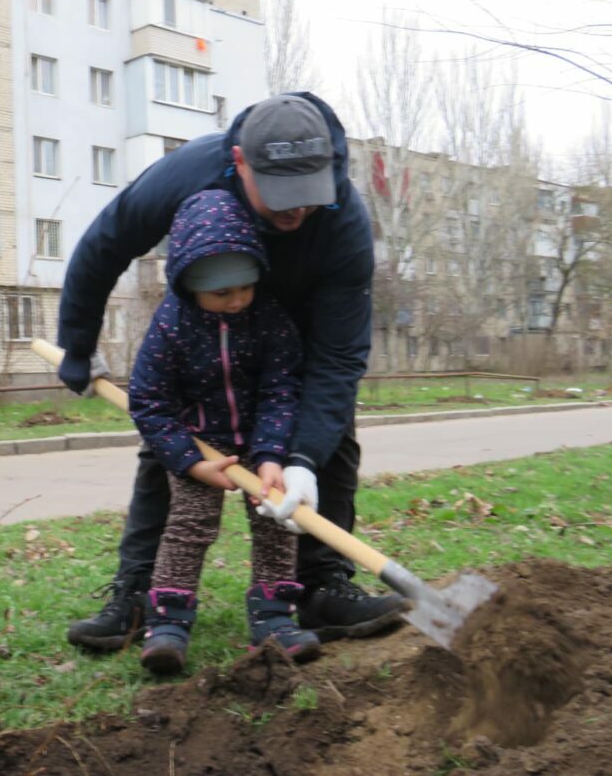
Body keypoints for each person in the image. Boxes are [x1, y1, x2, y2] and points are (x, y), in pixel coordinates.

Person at [59, 93, 407, 651]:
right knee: (171, 446)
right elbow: (105, 245)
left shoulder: (343, 219)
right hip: (199, 319)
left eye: (307, 197)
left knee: (330, 436)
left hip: (297, 326)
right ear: (241, 162)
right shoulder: (188, 172)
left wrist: (301, 459)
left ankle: (320, 588)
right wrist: (77, 346)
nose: (296, 213)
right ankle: (139, 595)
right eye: (281, 198)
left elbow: (339, 358)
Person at [129, 189, 319, 675]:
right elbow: (147, 400)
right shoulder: (171, 326)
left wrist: (272, 455)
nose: (236, 302)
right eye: (221, 293)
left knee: (276, 524)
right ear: (190, 284)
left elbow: (281, 387)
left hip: (259, 443)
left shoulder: (268, 319)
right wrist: (189, 461)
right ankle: (168, 624)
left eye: (244, 288)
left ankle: (275, 618)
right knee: (189, 527)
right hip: (197, 445)